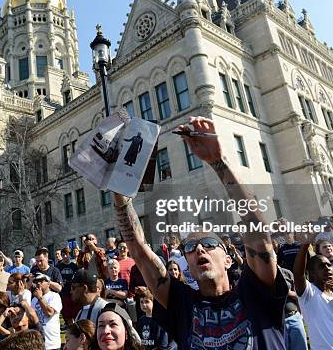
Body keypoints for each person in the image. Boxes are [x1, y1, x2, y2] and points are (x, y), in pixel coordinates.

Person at [114, 116, 288, 349]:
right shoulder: (181, 304)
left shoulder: (255, 291)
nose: (198, 249)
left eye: (208, 243)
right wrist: (120, 194)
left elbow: (258, 236)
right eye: (189, 248)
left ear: (228, 260)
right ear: (188, 265)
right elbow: (139, 250)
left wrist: (219, 162)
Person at [294, 235, 333, 349]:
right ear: (312, 273)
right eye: (322, 266)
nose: (328, 268)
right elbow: (298, 274)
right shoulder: (308, 292)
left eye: (329, 265)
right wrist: (305, 244)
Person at [30, 273, 62, 350]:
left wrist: (40, 298)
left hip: (52, 343)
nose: (38, 283)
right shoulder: (34, 299)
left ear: (48, 283)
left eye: (41, 281)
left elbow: (49, 313)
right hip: (38, 342)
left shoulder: (54, 296)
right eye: (36, 281)